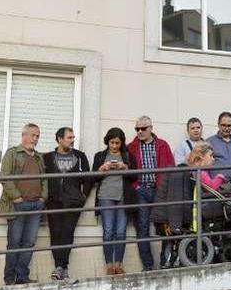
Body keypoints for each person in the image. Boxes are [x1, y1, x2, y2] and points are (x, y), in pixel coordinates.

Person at [0, 123, 47, 285]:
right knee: (14, 242)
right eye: (33, 135)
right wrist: (17, 198)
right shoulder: (13, 153)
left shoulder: (39, 157)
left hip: (36, 205)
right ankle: (9, 278)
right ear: (24, 135)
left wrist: (43, 198)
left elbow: (45, 179)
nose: (35, 139)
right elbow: (5, 176)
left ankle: (22, 276)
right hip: (17, 205)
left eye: (38, 136)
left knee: (29, 243)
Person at [127, 116, 174, 271]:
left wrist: (166, 189)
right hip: (141, 190)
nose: (140, 131)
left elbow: (170, 168)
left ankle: (164, 261)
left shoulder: (162, 145)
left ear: (151, 128)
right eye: (137, 129)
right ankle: (147, 265)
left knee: (165, 226)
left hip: (160, 190)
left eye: (143, 128)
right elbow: (128, 170)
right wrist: (136, 187)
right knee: (142, 227)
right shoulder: (131, 147)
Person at [43, 127, 91, 281]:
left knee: (67, 231)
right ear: (59, 139)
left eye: (73, 137)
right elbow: (42, 179)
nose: (72, 140)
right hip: (53, 200)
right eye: (69, 137)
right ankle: (61, 267)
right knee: (55, 232)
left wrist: (83, 196)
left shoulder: (80, 156)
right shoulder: (47, 158)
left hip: (73, 201)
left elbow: (88, 178)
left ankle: (60, 267)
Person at [92, 127, 134, 275]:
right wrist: (102, 168)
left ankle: (119, 264)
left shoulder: (128, 156)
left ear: (121, 142)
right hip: (105, 196)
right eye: (112, 142)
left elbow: (135, 176)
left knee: (121, 232)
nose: (115, 146)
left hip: (123, 196)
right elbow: (93, 178)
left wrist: (125, 167)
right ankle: (109, 265)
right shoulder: (100, 156)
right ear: (107, 142)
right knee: (108, 231)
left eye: (117, 143)